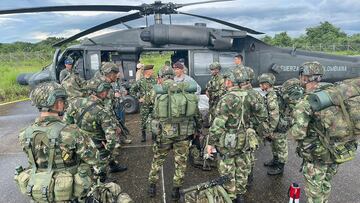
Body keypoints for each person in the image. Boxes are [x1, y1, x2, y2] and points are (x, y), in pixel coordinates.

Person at [14, 82, 114, 202]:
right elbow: (95, 161)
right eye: (61, 100)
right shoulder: (72, 132)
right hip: (70, 195)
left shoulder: (24, 134)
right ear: (55, 103)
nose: (63, 103)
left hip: (41, 193)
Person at [207, 68, 268, 202]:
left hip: (228, 141)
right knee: (242, 167)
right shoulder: (253, 96)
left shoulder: (227, 99)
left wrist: (210, 143)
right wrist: (250, 128)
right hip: (245, 139)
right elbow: (263, 116)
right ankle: (240, 195)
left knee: (228, 168)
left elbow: (218, 125)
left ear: (230, 82)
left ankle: (231, 196)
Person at [148, 65, 202, 201]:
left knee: (158, 160)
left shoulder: (157, 91)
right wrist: (198, 129)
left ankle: (152, 186)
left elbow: (149, 107)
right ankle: (175, 190)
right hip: (183, 134)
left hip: (164, 134)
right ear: (173, 76)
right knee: (181, 163)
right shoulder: (184, 90)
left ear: (161, 77)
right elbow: (196, 114)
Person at [288, 61, 337, 203]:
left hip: (317, 155)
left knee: (314, 192)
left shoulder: (306, 101)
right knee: (326, 184)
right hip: (336, 151)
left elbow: (298, 134)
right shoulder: (332, 92)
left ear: (304, 77)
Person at [64, 81, 127, 182]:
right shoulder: (102, 111)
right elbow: (111, 137)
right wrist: (109, 148)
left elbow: (66, 123)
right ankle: (102, 179)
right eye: (106, 92)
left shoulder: (75, 103)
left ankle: (112, 165)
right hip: (98, 143)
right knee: (102, 159)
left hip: (81, 141)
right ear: (102, 93)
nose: (107, 94)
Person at [89, 62, 132, 145]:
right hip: (102, 111)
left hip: (110, 108)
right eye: (115, 73)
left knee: (117, 124)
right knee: (109, 128)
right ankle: (112, 145)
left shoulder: (107, 82)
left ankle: (118, 141)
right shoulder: (98, 82)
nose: (117, 75)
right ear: (110, 73)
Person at [258, 73, 288, 175]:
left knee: (280, 146)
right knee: (275, 145)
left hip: (278, 126)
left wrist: (269, 130)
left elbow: (274, 116)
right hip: (276, 125)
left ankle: (280, 167)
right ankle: (275, 160)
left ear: (267, 84)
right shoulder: (272, 93)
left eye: (262, 84)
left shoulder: (272, 97)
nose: (260, 86)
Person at [130, 64, 157, 142]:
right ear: (147, 72)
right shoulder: (140, 81)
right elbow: (132, 90)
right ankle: (143, 135)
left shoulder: (154, 80)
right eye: (151, 70)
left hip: (153, 104)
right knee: (143, 121)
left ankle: (154, 135)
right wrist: (139, 98)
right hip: (144, 105)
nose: (152, 71)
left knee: (154, 120)